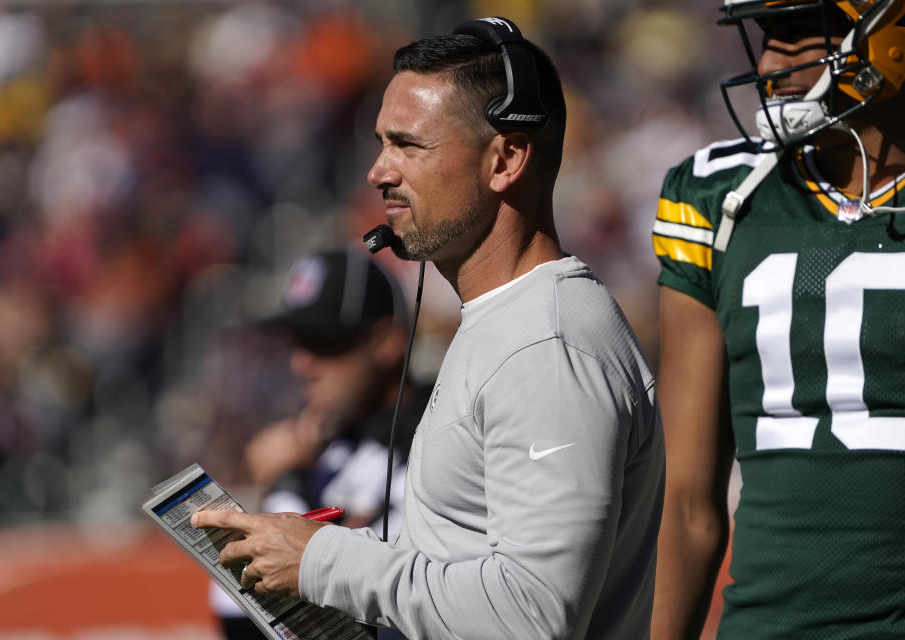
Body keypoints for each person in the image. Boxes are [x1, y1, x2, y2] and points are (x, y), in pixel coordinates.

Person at [194, 16, 664, 640]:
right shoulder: (506, 321)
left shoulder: (547, 349)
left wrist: (322, 560)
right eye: (381, 143)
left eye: (408, 145)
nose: (378, 172)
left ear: (507, 159)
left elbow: (533, 615)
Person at [651, 1, 905, 638]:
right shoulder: (723, 195)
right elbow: (686, 505)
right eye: (769, 38)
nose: (772, 63)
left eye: (800, 37)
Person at [211, 248, 427, 640]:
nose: (301, 364)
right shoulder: (322, 447)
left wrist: (284, 484)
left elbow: (366, 608)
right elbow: (234, 612)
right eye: (295, 343)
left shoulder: (436, 435)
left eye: (324, 341)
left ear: (386, 341)